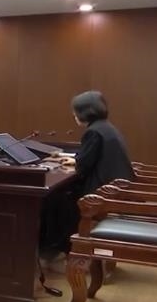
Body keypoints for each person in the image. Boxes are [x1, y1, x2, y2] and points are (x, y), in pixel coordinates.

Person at [42, 90, 133, 257]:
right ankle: (57, 249)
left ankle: (60, 249)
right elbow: (89, 158)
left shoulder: (93, 131)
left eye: (75, 111)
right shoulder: (106, 127)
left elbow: (83, 166)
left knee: (56, 199)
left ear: (85, 112)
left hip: (102, 191)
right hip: (115, 187)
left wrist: (74, 161)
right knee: (61, 196)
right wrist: (75, 160)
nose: (74, 115)